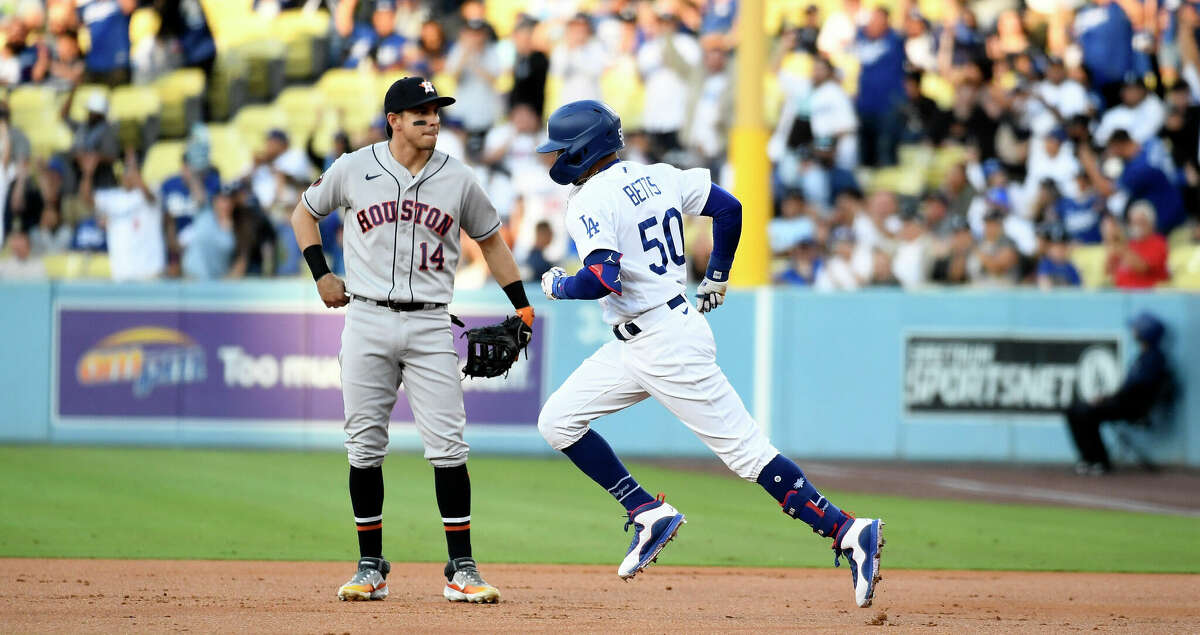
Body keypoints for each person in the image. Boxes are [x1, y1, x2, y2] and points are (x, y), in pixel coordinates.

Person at [534, 100, 883, 608]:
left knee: (748, 454)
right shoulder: (659, 174)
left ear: (583, 149)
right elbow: (730, 208)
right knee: (558, 421)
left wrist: (559, 286)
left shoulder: (589, 199)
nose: (555, 159)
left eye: (562, 150)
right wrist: (717, 273)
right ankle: (646, 513)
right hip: (644, 337)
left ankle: (848, 531)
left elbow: (600, 278)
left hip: (664, 342)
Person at [291, 76, 534, 604]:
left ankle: (462, 567)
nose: (432, 119)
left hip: (429, 323)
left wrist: (522, 303)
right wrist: (321, 274)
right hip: (367, 318)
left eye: (436, 110)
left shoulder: (459, 178)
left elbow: (491, 242)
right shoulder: (355, 167)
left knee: (449, 447)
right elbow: (303, 214)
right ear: (394, 120)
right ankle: (370, 566)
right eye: (420, 112)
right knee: (363, 446)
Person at [1063, 312, 1170, 475]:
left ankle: (1099, 460)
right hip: (1123, 402)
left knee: (1086, 413)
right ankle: (1089, 457)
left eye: (1137, 328)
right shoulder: (1144, 357)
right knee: (1075, 410)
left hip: (1131, 407)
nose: (1134, 331)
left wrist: (1107, 399)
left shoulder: (1153, 359)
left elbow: (1136, 389)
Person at [81, 149, 165, 281]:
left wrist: (133, 169)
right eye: (124, 170)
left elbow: (149, 197)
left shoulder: (154, 189)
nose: (127, 174)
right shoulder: (112, 197)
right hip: (122, 276)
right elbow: (86, 199)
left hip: (150, 275)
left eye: (129, 169)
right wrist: (88, 173)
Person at [1104, 202, 1168, 288]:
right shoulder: (1130, 244)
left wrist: (1120, 245)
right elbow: (1108, 271)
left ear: (1151, 223)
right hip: (1122, 293)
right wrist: (1111, 241)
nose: (1137, 226)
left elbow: (1143, 268)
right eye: (1134, 222)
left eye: (1141, 222)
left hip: (1147, 294)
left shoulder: (1158, 242)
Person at [1036, 225, 1082, 289]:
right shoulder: (1046, 264)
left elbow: (1078, 287)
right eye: (1054, 247)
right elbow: (1043, 283)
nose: (1058, 251)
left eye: (1062, 247)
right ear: (1048, 249)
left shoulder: (1071, 266)